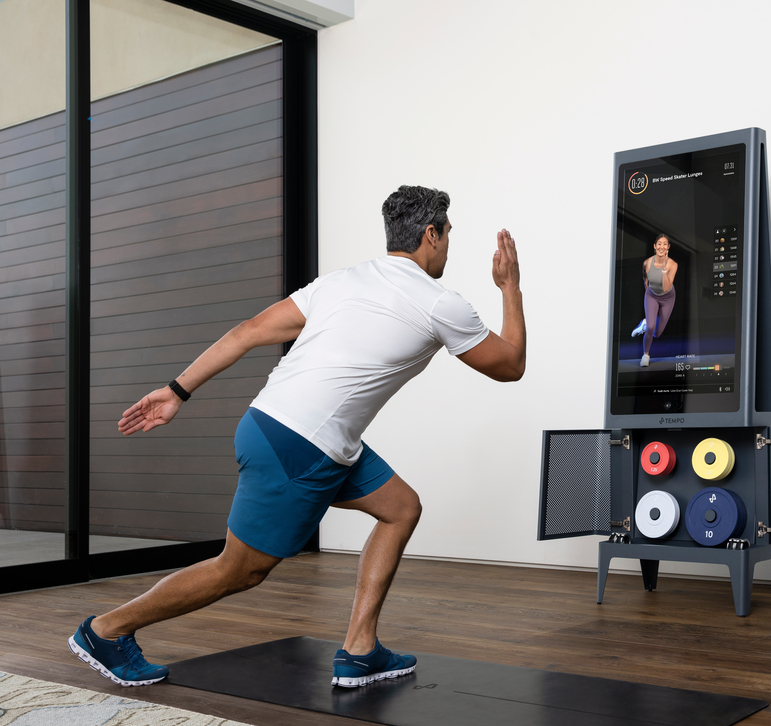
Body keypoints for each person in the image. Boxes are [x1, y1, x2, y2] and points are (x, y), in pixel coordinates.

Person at [68, 185, 525, 688]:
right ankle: (106, 630)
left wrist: (177, 390)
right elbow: (510, 366)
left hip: (273, 425)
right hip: (302, 445)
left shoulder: (340, 282)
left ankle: (360, 649)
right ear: (431, 234)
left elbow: (247, 330)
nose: (448, 246)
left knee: (401, 507)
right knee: (239, 571)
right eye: (448, 235)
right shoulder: (441, 304)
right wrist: (509, 287)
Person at [629, 233, 677, 366]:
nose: (662, 246)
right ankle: (645, 355)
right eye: (659, 244)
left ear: (668, 247)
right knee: (651, 327)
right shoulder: (647, 263)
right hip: (652, 295)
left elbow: (666, 286)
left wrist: (664, 269)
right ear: (655, 246)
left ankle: (644, 324)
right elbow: (645, 277)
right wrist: (648, 289)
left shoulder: (673, 265)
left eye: (664, 244)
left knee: (657, 332)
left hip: (668, 297)